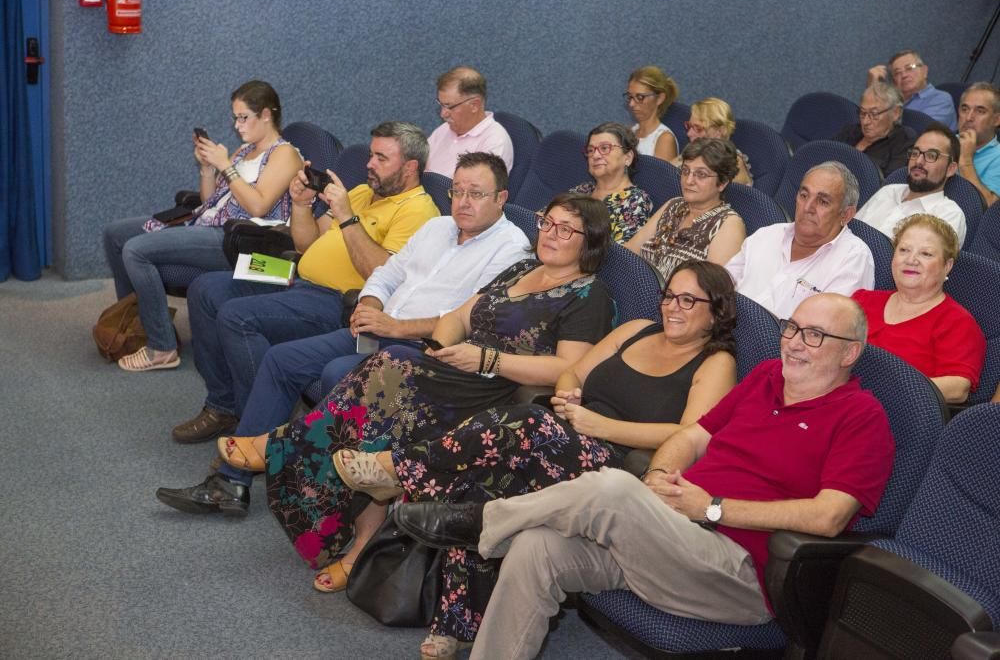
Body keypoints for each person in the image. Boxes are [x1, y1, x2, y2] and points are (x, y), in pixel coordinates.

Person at [156, 194, 616, 596]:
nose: (551, 233)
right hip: (454, 366)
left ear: (588, 241)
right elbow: (460, 313)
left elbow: (567, 367)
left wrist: (486, 360)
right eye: (548, 222)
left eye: (566, 229)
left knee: (387, 380)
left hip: (497, 391)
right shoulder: (523, 268)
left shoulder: (587, 293)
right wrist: (444, 343)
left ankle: (285, 455)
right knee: (381, 379)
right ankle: (348, 530)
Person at [395, 293, 895, 660]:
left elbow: (830, 517)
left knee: (612, 488)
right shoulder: (766, 377)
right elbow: (692, 437)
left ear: (850, 353)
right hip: (671, 537)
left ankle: (482, 522)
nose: (795, 344)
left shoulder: (862, 417)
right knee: (536, 549)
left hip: (739, 573)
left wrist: (712, 507)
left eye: (815, 336)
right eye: (791, 328)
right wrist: (659, 476)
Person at [332, 260, 740, 659]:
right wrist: (568, 395)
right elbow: (573, 372)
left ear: (716, 311)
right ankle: (455, 621)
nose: (673, 307)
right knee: (485, 485)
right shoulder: (635, 331)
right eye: (669, 296)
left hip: (615, 468)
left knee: (527, 421)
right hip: (567, 433)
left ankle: (401, 470)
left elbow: (688, 435)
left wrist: (599, 426)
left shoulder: (716, 362)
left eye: (689, 301)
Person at [169, 122, 438, 444]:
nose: (369, 164)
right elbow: (306, 245)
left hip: (333, 299)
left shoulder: (418, 211)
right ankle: (222, 406)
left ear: (410, 167)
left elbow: (384, 275)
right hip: (291, 274)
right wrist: (301, 205)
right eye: (371, 155)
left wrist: (347, 217)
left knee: (237, 316)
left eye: (381, 158)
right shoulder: (365, 192)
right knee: (206, 287)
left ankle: (256, 429)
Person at [232, 152, 531, 439]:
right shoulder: (436, 227)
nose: (463, 202)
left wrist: (396, 327)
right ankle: (238, 474)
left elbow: (468, 318)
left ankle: (320, 477)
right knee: (281, 359)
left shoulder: (510, 248)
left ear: (500, 198)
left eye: (476, 194)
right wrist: (369, 305)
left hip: (422, 349)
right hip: (379, 329)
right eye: (457, 191)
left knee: (338, 373)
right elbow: (388, 273)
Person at [102, 80, 303, 371]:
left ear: (267, 115)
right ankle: (140, 325)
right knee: (116, 235)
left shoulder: (285, 154)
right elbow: (211, 201)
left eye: (244, 117)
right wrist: (208, 169)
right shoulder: (245, 151)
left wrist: (226, 166)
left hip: (243, 241)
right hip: (210, 224)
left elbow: (258, 206)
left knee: (136, 250)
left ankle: (161, 347)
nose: (237, 125)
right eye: (235, 117)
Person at [853, 214, 985, 404]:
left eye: (926, 254)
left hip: (896, 414)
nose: (911, 260)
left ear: (947, 266)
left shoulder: (957, 322)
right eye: (904, 250)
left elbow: (958, 388)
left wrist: (889, 390)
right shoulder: (862, 300)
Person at [726, 161, 875, 318]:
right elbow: (719, 286)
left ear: (846, 215)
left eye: (823, 201)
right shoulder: (766, 235)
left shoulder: (853, 259)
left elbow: (825, 330)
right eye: (804, 196)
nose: (807, 207)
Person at [625, 138, 745, 280]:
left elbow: (712, 289)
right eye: (685, 171)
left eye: (701, 174)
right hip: (637, 288)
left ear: (722, 183)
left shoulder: (728, 224)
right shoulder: (673, 205)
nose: (688, 181)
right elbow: (628, 253)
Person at [856, 123, 966, 245]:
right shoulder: (888, 191)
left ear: (951, 168)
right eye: (915, 153)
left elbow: (922, 262)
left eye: (931, 155)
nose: (918, 161)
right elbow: (849, 231)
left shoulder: (948, 214)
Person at [568, 122, 653, 243]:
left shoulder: (634, 201)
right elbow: (545, 221)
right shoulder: (583, 189)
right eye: (591, 150)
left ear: (628, 157)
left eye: (604, 148)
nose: (595, 155)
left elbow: (620, 257)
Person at [425, 66, 514, 177]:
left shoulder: (495, 141)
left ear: (474, 105)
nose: (443, 114)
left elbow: (474, 190)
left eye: (449, 106)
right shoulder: (444, 129)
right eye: (441, 104)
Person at [832, 81, 916, 176]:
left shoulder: (904, 140)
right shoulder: (850, 131)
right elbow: (824, 156)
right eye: (863, 113)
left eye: (874, 114)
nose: (865, 121)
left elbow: (889, 183)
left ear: (896, 113)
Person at [868, 50, 957, 129]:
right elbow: (868, 123)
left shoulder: (941, 99)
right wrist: (872, 88)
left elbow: (920, 130)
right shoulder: (892, 101)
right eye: (897, 73)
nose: (904, 75)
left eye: (909, 68)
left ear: (924, 71)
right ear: (894, 82)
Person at [673, 97, 752, 186]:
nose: (689, 133)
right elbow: (664, 171)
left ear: (720, 131)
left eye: (698, 129)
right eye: (689, 126)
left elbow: (730, 198)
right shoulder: (694, 152)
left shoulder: (733, 164)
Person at [956, 82, 1000, 207]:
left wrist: (965, 161)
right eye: (964, 109)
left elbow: (990, 209)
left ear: (996, 120)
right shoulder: (943, 142)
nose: (969, 117)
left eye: (980, 111)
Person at [624, 65, 680, 162]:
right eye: (630, 97)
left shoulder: (664, 139)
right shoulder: (629, 132)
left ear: (659, 98)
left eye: (640, 97)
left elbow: (660, 177)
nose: (631, 104)